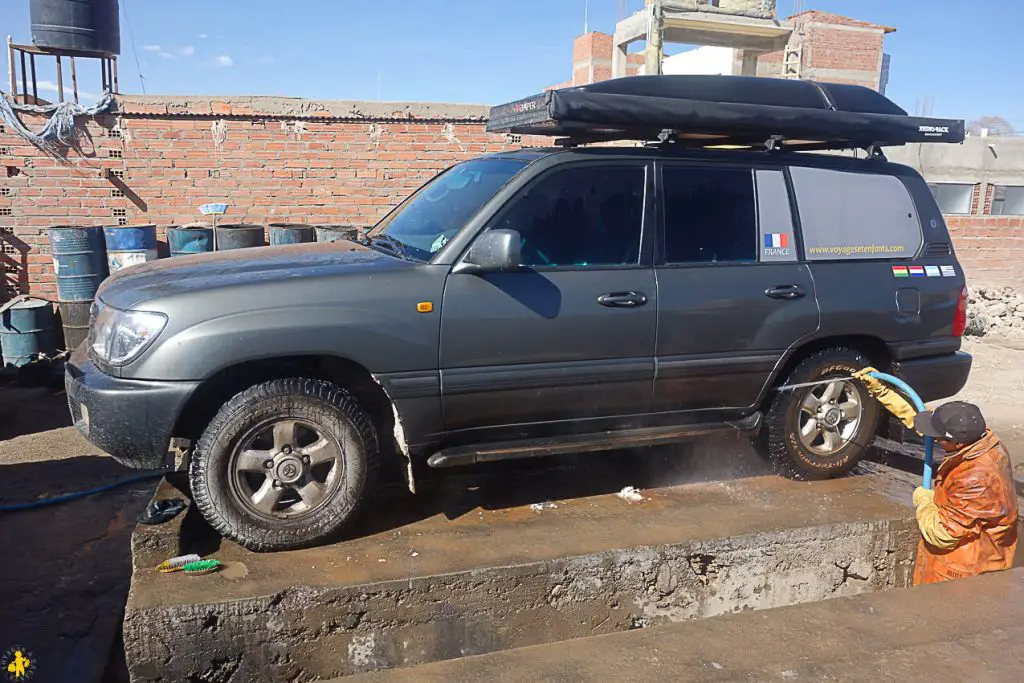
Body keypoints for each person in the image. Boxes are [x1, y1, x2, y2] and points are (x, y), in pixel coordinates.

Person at [909, 401, 1018, 585]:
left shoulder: (975, 480)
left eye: (939, 439)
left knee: (938, 611)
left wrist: (924, 502)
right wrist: (885, 393)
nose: (934, 440)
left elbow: (942, 534)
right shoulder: (987, 444)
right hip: (975, 558)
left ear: (958, 443)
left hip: (961, 571)